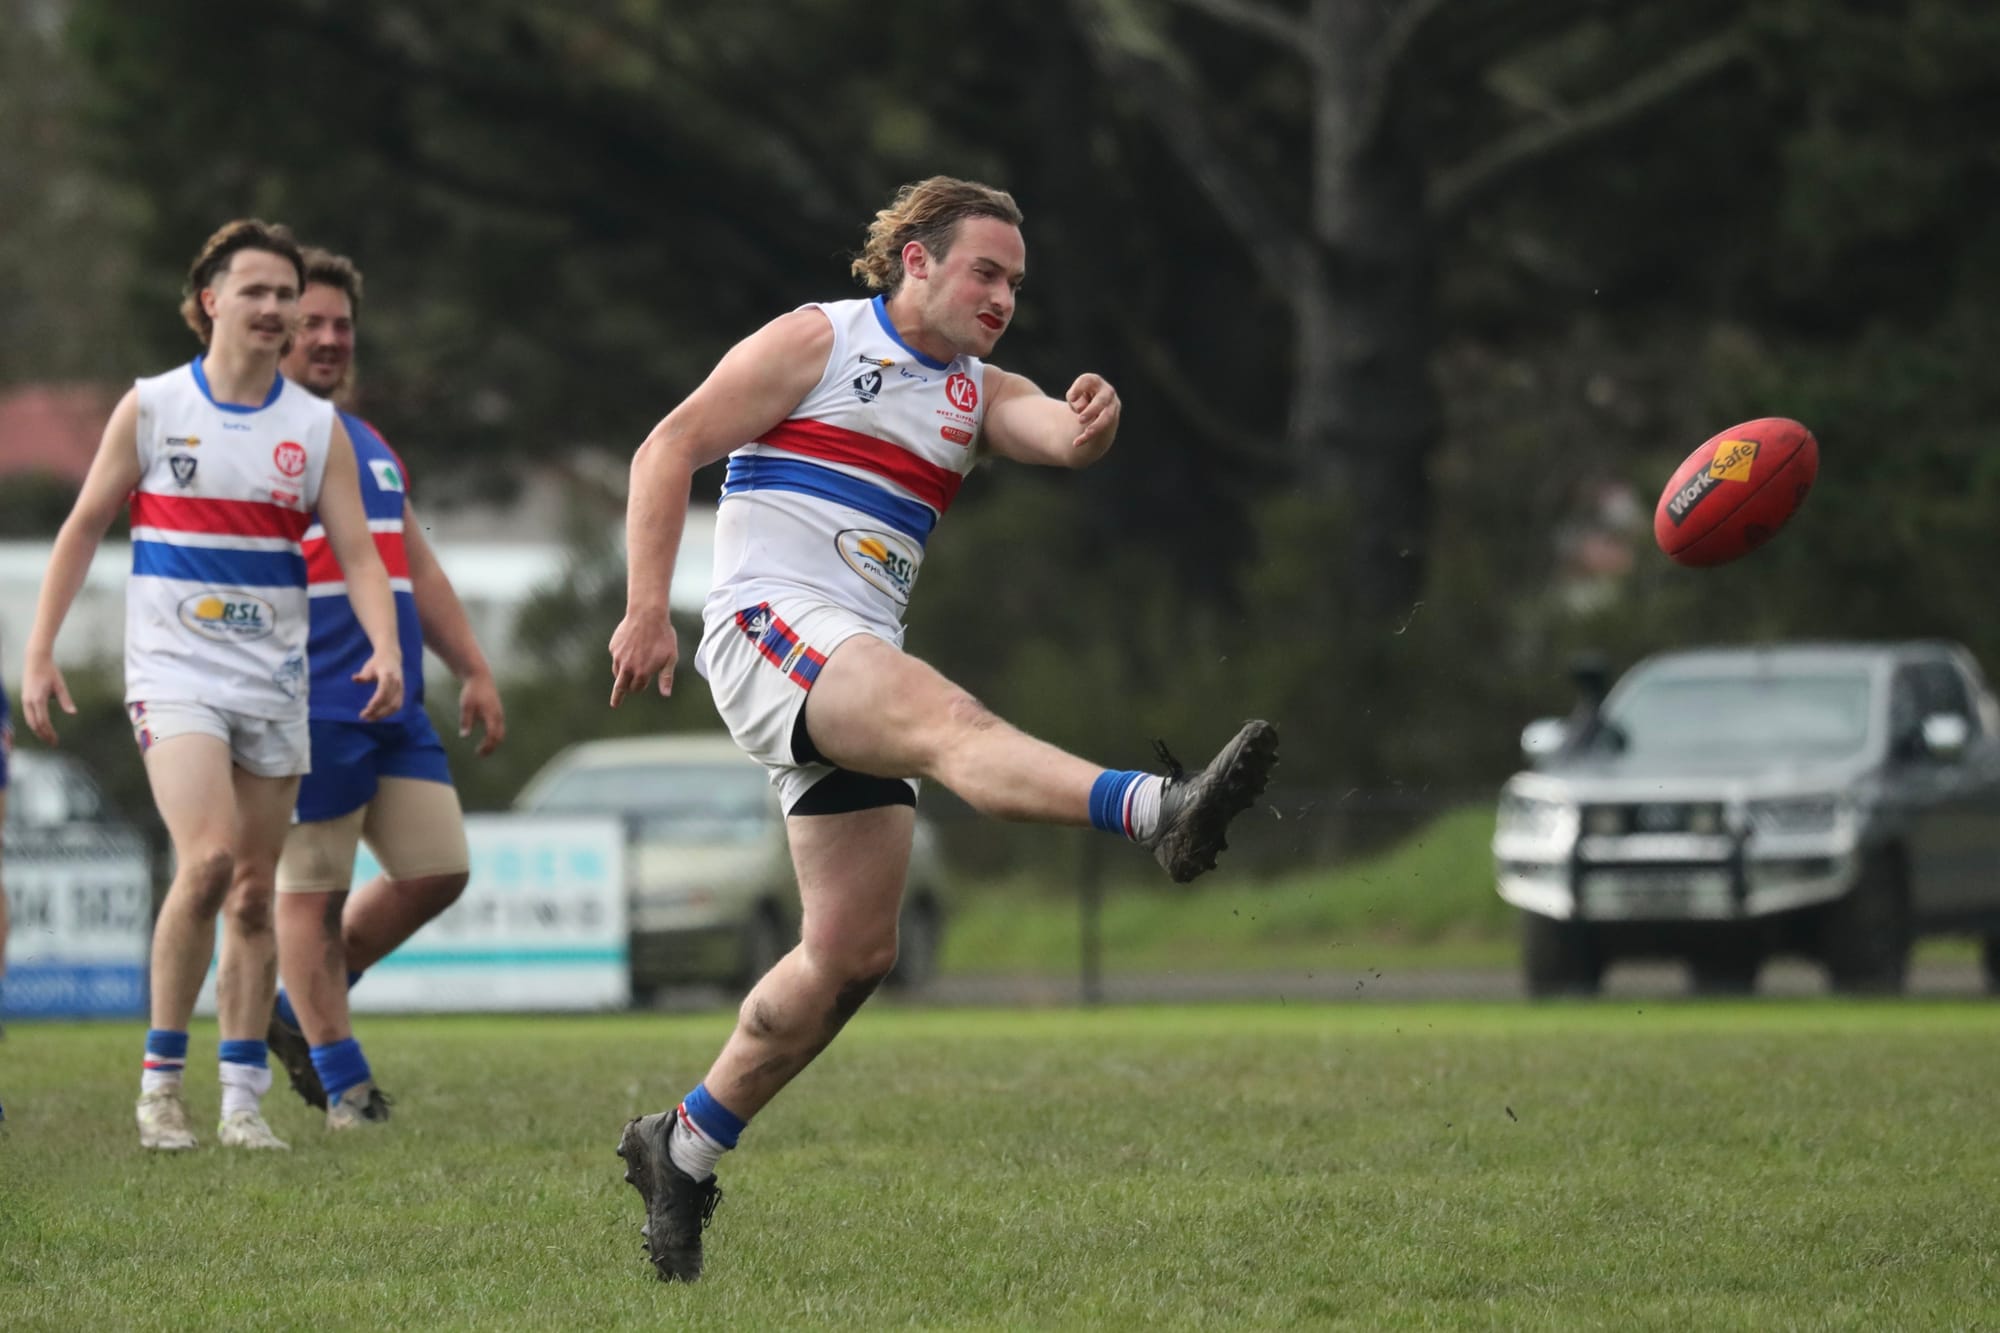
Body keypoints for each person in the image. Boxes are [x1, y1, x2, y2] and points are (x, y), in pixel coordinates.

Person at [606, 176, 1279, 1281]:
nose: (1003, 297)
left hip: (847, 662)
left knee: (850, 954)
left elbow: (1052, 434)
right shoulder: (819, 340)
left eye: (1015, 282)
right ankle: (1158, 810)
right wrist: (645, 607)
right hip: (772, 627)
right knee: (948, 720)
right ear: (914, 260)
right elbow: (666, 447)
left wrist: (1090, 422)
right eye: (985, 272)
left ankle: (680, 1146)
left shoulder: (975, 389)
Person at [18, 219, 404, 1152]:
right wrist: (39, 649)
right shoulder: (153, 407)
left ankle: (240, 1100)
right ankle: (160, 1086)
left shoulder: (313, 428)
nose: (275, 308)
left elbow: (359, 552)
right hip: (175, 672)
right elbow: (83, 524)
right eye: (256, 290)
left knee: (255, 893)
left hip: (274, 679)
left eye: (286, 294)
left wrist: (387, 649)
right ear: (210, 301)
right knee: (207, 863)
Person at [262, 247, 505, 1129]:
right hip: (312, 701)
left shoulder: (366, 443)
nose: (329, 338)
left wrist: (472, 665)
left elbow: (417, 567)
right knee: (310, 894)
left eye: (341, 324)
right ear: (272, 329)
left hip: (395, 705)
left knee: (438, 870)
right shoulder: (253, 442)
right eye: (311, 324)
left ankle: (295, 1008)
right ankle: (347, 1086)